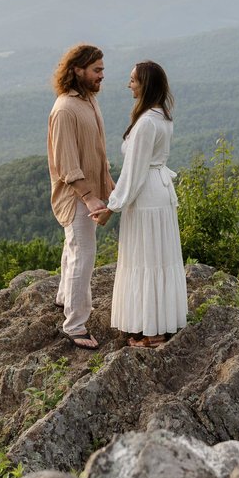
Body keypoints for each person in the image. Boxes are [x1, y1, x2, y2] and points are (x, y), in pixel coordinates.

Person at [90, 61, 187, 348]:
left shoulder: (146, 122)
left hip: (146, 195)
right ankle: (161, 325)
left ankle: (152, 333)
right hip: (160, 192)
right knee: (159, 258)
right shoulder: (162, 117)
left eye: (133, 80)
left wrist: (112, 206)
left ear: (146, 84)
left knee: (145, 259)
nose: (128, 84)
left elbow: (134, 172)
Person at [47, 43, 115, 350]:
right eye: (97, 70)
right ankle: (74, 324)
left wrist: (108, 181)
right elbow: (67, 164)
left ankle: (64, 297)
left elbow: (96, 151)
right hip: (76, 196)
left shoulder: (88, 101)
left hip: (89, 190)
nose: (102, 75)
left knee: (73, 247)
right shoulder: (65, 109)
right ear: (78, 70)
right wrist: (89, 197)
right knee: (83, 254)